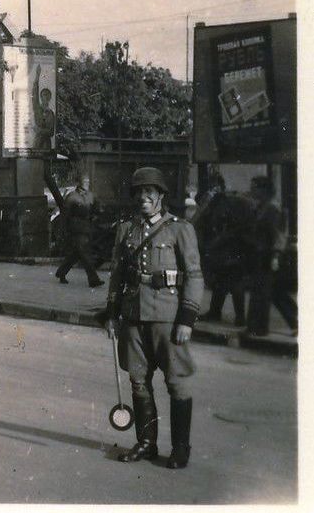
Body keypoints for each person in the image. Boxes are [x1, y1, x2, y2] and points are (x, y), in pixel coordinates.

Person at [105, 166, 203, 470]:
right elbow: (118, 275)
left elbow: (195, 275)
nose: (143, 197)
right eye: (138, 192)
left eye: (150, 192)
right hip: (133, 316)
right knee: (138, 381)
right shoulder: (126, 229)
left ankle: (180, 448)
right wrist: (111, 314)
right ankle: (146, 444)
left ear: (161, 196)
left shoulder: (179, 229)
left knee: (177, 383)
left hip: (167, 317)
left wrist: (187, 317)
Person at [245, 176, 297, 337]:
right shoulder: (262, 206)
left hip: (270, 256)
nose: (252, 190)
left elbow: (278, 234)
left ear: (264, 190)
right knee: (271, 291)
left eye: (255, 187)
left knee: (264, 292)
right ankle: (256, 326)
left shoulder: (272, 208)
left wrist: (275, 256)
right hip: (260, 255)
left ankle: (258, 328)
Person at [196, 173, 250, 326]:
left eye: (214, 186)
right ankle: (215, 312)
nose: (212, 190)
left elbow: (234, 227)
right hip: (218, 249)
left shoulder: (231, 203)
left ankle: (240, 317)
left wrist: (220, 240)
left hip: (230, 248)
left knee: (235, 284)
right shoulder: (212, 204)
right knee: (220, 282)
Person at [55, 174, 105, 287]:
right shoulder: (72, 196)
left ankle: (61, 272)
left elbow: (98, 208)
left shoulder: (91, 196)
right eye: (84, 181)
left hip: (87, 228)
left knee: (76, 254)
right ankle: (93, 280)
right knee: (85, 254)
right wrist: (64, 230)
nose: (87, 183)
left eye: (88, 181)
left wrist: (98, 213)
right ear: (79, 182)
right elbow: (65, 215)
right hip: (76, 229)